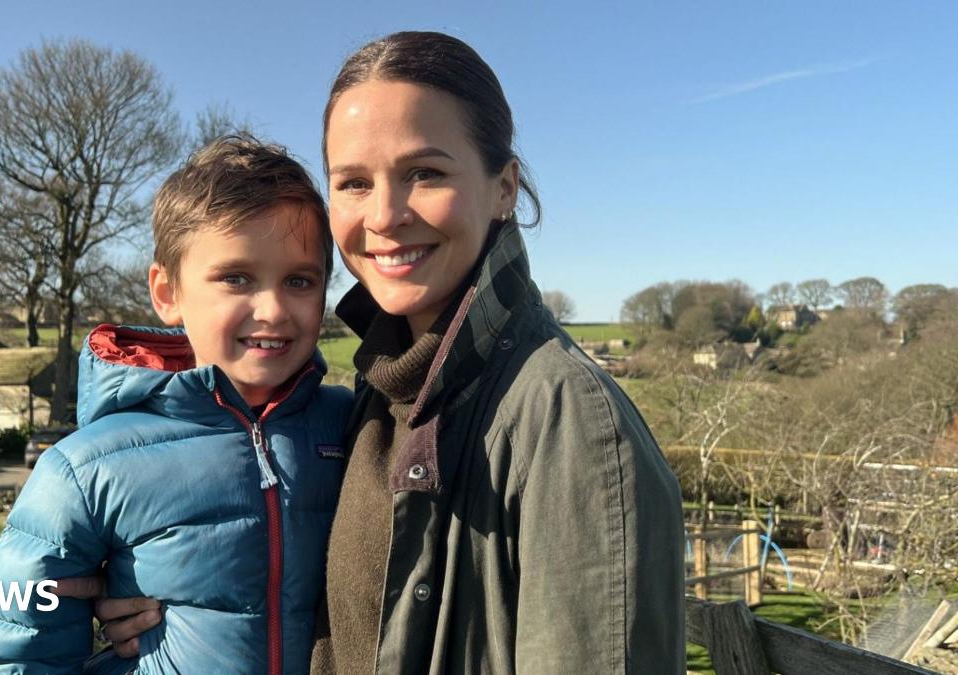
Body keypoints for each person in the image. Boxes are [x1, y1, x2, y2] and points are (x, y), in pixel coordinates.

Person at [89, 31, 686, 674]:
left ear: (505, 187)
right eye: (352, 182)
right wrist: (157, 589)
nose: (384, 214)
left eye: (424, 173)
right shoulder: (378, 394)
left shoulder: (570, 423)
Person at [0, 135, 352, 674]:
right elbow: (9, 655)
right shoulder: (85, 468)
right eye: (236, 277)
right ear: (167, 293)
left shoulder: (355, 427)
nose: (273, 309)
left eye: (300, 280)